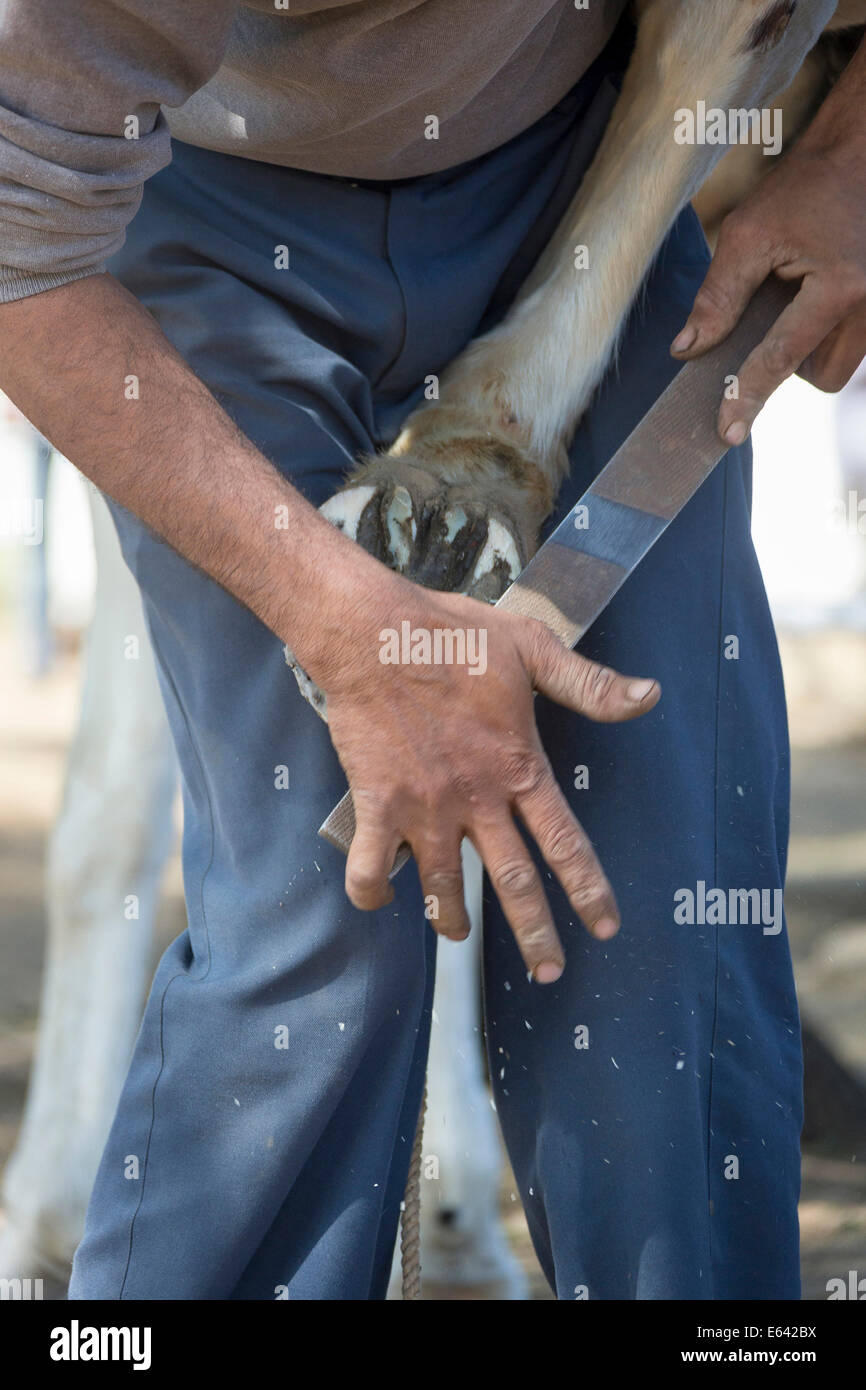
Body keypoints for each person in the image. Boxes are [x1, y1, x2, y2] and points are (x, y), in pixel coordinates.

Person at [0, 0, 864, 1300]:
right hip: (212, 207)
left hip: (598, 179)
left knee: (657, 911)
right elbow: (19, 246)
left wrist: (845, 165)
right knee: (324, 911)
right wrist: (349, 631)